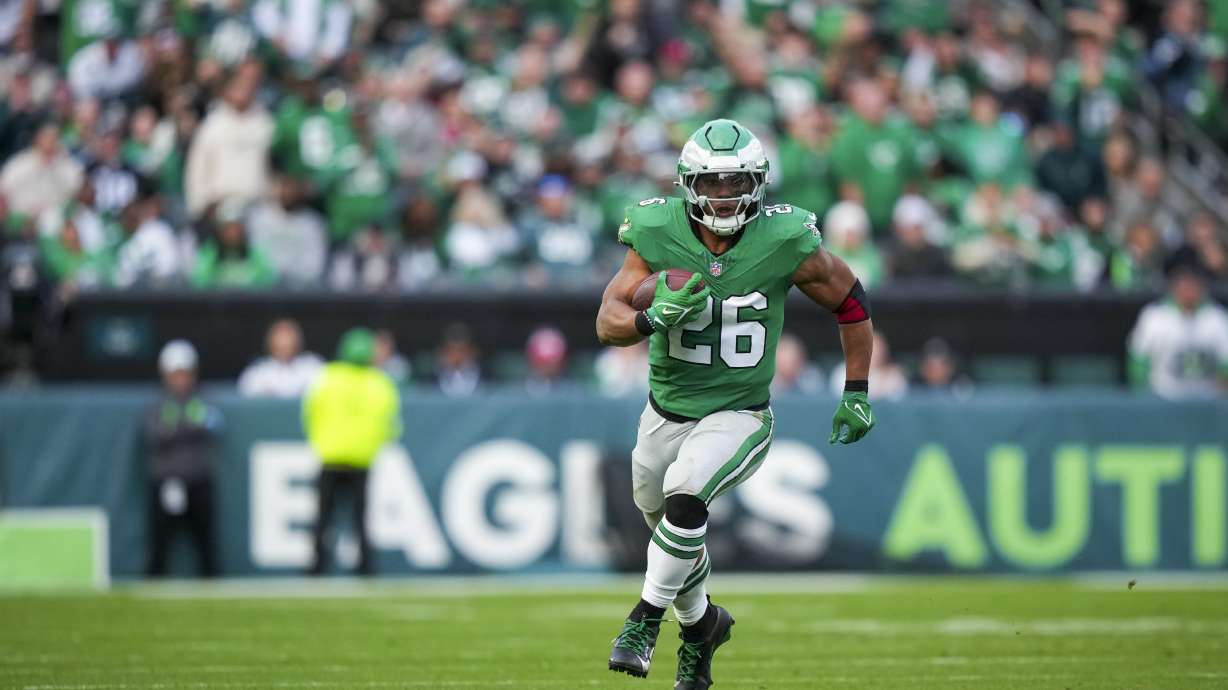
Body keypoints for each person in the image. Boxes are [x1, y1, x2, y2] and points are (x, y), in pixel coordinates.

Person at [596, 119, 875, 688]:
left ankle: (643, 621)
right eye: (713, 183)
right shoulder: (655, 230)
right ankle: (702, 628)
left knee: (686, 496)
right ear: (687, 185)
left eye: (736, 182)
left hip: (739, 412)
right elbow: (607, 322)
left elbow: (850, 301)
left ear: (758, 182)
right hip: (664, 413)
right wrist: (652, 318)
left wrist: (857, 391)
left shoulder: (785, 239)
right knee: (673, 529)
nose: (724, 195)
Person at [302, 328, 400, 575]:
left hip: (331, 456)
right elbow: (391, 426)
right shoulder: (380, 382)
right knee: (360, 520)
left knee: (323, 519)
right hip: (361, 459)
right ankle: (365, 568)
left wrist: (322, 440)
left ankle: (316, 568)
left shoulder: (327, 377)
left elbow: (309, 413)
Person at [145, 340, 223, 577]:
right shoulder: (159, 404)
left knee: (205, 544)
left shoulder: (202, 400)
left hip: (198, 480)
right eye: (175, 373)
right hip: (167, 481)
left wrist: (178, 426)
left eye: (184, 373)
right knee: (160, 543)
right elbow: (156, 434)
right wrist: (188, 425)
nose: (181, 379)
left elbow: (214, 424)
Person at [1128, 252, 1228, 398]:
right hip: (1164, 401)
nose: (1188, 288)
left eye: (1193, 282)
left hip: (1207, 403)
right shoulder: (1155, 316)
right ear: (1173, 285)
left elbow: (1225, 364)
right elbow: (1138, 362)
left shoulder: (1217, 317)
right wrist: (1145, 399)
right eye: (1183, 282)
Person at [237, 318, 323, 397]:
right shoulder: (256, 373)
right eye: (280, 337)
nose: (286, 343)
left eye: (289, 336)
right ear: (270, 342)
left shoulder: (313, 365)